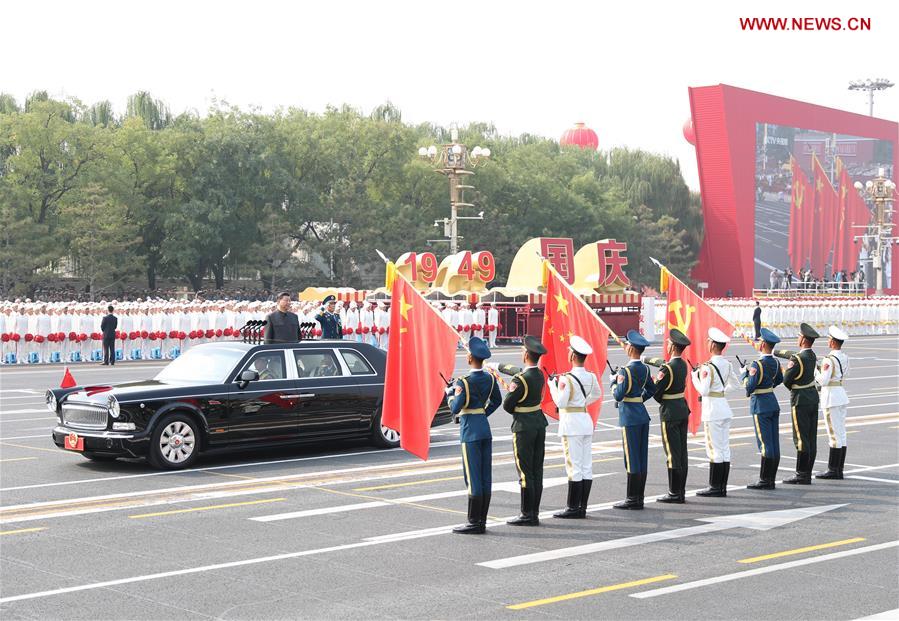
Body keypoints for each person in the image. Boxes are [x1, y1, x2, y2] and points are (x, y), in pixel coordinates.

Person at [491, 335, 548, 526]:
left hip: (524, 427)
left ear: (525, 355)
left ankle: (526, 515)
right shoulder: (538, 374)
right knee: (536, 470)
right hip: (539, 424)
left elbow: (508, 405)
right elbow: (518, 371)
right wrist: (498, 365)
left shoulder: (520, 380)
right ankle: (535, 512)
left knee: (524, 472)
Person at [447, 336, 502, 534]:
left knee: (473, 477)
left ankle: (474, 522)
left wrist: (450, 393)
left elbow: (455, 407)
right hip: (484, 428)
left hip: (470, 430)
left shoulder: (464, 382)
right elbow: (497, 401)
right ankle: (482, 520)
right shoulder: (490, 377)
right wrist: (482, 413)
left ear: (470, 358)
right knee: (485, 476)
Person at [548, 335, 603, 518]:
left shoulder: (566, 379)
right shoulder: (591, 376)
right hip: (585, 420)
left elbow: (561, 403)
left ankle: (573, 508)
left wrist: (552, 387)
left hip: (571, 423)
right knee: (586, 466)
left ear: (572, 355)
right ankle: (582, 507)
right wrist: (582, 402)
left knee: (574, 466)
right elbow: (597, 394)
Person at [643, 328, 691, 504]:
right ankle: (681, 491)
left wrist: (656, 381)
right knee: (682, 452)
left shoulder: (667, 368)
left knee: (672, 453)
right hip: (682, 409)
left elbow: (656, 393)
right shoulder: (682, 364)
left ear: (672, 346)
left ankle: (674, 493)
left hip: (670, 411)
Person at [611, 330, 656, 510]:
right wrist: (639, 400)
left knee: (631, 458)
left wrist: (614, 382)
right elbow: (651, 390)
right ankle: (639, 497)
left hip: (629, 416)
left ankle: (632, 499)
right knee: (641, 457)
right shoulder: (645, 368)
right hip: (642, 414)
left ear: (630, 348)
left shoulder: (626, 371)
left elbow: (618, 395)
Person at [691, 327, 736, 497]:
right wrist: (720, 391)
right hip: (724, 407)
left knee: (714, 450)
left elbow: (703, 391)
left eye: (708, 341)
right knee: (724, 448)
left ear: (712, 345)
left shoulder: (707, 367)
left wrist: (694, 377)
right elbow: (735, 385)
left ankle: (715, 487)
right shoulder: (727, 364)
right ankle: (722, 486)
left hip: (713, 411)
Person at [774, 322, 820, 485]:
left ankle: (801, 474)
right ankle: (806, 472)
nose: (797, 338)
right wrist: (775, 351)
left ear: (803, 340)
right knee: (811, 437)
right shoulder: (811, 355)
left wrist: (784, 371)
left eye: (799, 336)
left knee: (800, 437)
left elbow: (787, 380)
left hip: (800, 399)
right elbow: (793, 355)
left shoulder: (797, 358)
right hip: (813, 398)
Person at [743, 328, 785, 490]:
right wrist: (769, 386)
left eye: (760, 341)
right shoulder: (775, 362)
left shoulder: (757, 364)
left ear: (764, 344)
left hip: (760, 405)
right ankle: (770, 478)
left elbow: (749, 387)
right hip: (772, 401)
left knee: (764, 444)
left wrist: (743, 375)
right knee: (773, 442)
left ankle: (765, 480)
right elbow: (780, 379)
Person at [816, 326, 850, 479]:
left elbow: (823, 380)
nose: (828, 341)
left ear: (833, 342)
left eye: (829, 339)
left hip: (831, 397)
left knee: (834, 435)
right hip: (841, 394)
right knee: (841, 433)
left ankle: (833, 470)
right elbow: (845, 373)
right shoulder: (844, 357)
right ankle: (839, 469)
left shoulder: (828, 359)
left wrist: (816, 372)